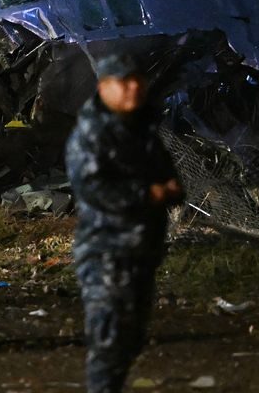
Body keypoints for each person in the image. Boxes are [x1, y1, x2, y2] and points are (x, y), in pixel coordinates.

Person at [65, 53, 183, 393]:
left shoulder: (142, 131)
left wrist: (165, 190)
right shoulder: (92, 135)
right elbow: (95, 188)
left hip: (141, 250)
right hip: (107, 251)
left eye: (137, 81)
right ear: (104, 88)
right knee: (110, 339)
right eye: (123, 82)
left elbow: (170, 179)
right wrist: (149, 194)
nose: (133, 88)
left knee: (130, 339)